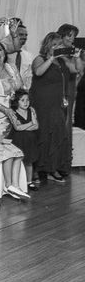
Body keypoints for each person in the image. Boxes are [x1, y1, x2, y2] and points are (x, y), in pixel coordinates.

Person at [30, 32, 71, 184]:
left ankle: (51, 169)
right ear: (48, 45)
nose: (58, 47)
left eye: (59, 44)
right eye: (55, 44)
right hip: (42, 104)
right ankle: (35, 171)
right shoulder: (40, 59)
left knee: (56, 134)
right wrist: (52, 58)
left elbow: (74, 70)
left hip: (56, 104)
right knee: (41, 135)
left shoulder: (61, 62)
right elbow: (38, 71)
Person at [55, 23, 83, 174]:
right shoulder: (57, 51)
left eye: (74, 36)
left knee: (67, 126)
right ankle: (56, 163)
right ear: (62, 35)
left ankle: (65, 162)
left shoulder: (72, 53)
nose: (72, 39)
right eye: (69, 35)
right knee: (59, 125)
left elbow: (78, 70)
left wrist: (77, 56)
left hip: (70, 90)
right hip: (58, 90)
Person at [9, 89, 39, 191]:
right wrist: (31, 123)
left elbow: (36, 126)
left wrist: (25, 126)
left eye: (27, 100)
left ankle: (29, 182)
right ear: (16, 101)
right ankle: (16, 182)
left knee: (29, 161)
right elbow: (17, 128)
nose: (26, 102)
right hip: (18, 140)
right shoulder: (13, 112)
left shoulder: (31, 110)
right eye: (22, 100)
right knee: (19, 160)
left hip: (30, 140)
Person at [7, 25, 33, 90]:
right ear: (13, 35)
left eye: (26, 35)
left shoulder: (29, 56)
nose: (24, 37)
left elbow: (30, 76)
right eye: (21, 34)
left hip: (23, 93)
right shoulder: (5, 53)